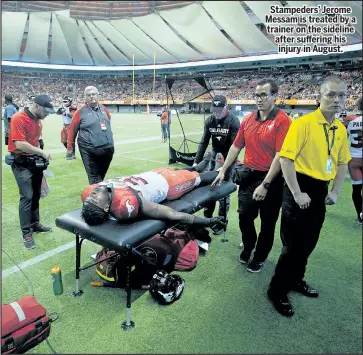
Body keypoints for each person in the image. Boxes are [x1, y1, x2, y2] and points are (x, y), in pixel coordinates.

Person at [267, 77, 351, 317]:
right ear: (320, 97)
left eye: (341, 95)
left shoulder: (340, 129)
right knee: (292, 245)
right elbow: (286, 158)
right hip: (298, 187)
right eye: (331, 95)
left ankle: (296, 280)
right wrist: (296, 192)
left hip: (320, 189)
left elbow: (343, 162)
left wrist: (335, 191)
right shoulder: (303, 124)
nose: (337, 100)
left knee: (309, 242)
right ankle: (277, 290)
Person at [212, 80, 291, 273]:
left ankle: (260, 256)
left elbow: (281, 156)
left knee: (268, 221)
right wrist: (223, 170)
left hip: (271, 179)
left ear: (274, 96)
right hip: (248, 175)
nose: (260, 99)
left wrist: (265, 184)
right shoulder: (247, 120)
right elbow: (236, 146)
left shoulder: (283, 120)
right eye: (257, 95)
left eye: (264, 95)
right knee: (244, 217)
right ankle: (248, 246)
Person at [81, 155, 225, 229]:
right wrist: (208, 221)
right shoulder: (126, 202)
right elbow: (171, 214)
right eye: (95, 199)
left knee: (183, 170)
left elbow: (90, 198)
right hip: (169, 184)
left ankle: (199, 166)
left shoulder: (92, 192)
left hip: (151, 174)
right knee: (199, 178)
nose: (92, 193)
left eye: (90, 197)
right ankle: (221, 169)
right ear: (106, 207)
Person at [8, 94, 55, 249]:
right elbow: (20, 144)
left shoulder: (38, 120)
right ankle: (26, 233)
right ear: (38, 106)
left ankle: (35, 224)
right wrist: (41, 153)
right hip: (21, 163)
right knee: (27, 196)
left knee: (35, 195)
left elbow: (36, 141)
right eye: (46, 111)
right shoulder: (18, 118)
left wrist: (42, 158)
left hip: (35, 163)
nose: (48, 114)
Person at [192, 95, 240, 235]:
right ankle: (208, 218)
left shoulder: (233, 121)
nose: (216, 114)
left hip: (228, 157)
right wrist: (196, 162)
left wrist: (224, 168)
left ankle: (221, 223)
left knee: (224, 192)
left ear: (226, 107)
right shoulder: (209, 121)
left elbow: (235, 147)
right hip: (214, 155)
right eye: (214, 110)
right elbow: (204, 142)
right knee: (210, 187)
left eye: (219, 110)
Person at [67, 86, 114, 184]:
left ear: (98, 95)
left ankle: (99, 194)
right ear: (85, 98)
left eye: (93, 94)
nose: (91, 96)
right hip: (89, 149)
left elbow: (108, 122)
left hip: (108, 148)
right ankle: (94, 197)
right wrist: (70, 149)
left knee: (100, 177)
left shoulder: (104, 109)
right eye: (88, 95)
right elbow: (72, 131)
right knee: (94, 179)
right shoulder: (80, 112)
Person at [343, 97, 362, 224]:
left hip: (354, 158)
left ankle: (360, 215)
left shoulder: (350, 120)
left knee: (356, 189)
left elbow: (343, 139)